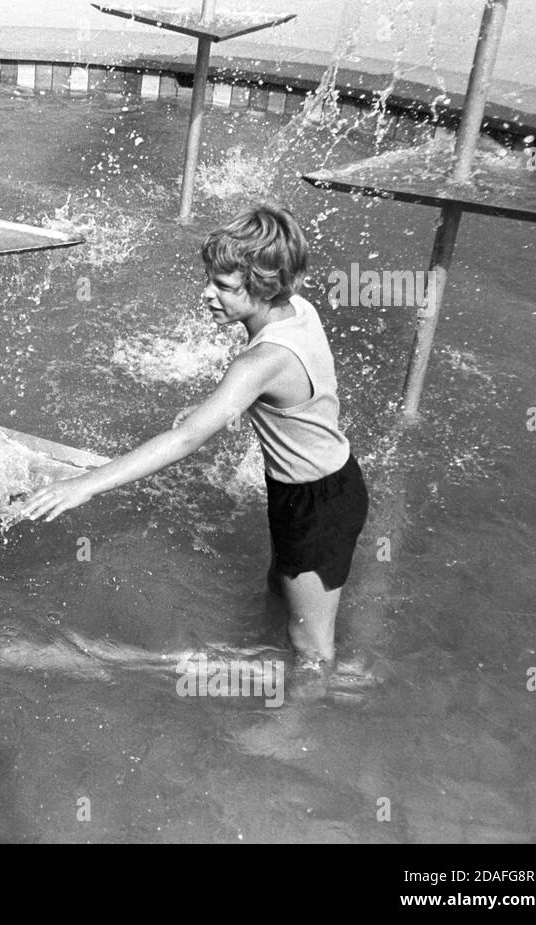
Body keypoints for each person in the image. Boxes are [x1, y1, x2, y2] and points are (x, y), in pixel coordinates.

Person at [21, 205, 368, 669]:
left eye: (223, 287)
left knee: (312, 649)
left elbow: (186, 440)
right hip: (318, 486)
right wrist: (224, 406)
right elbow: (297, 399)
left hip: (318, 504)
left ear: (265, 287)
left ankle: (290, 736)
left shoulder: (262, 361)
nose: (207, 294)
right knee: (279, 602)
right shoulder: (296, 310)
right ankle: (273, 675)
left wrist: (86, 484)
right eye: (209, 279)